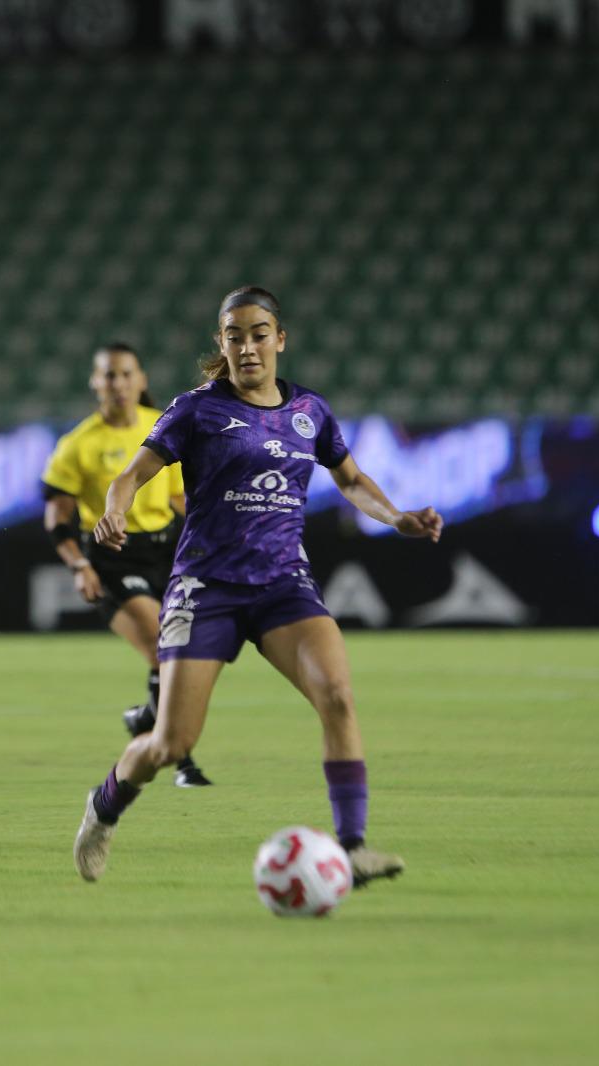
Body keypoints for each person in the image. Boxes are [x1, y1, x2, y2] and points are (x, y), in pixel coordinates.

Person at [72, 286, 442, 886]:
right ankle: (104, 806)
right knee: (168, 745)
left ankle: (351, 847)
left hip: (282, 587)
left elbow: (351, 480)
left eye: (259, 333)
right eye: (235, 335)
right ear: (222, 343)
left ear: (280, 339)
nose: (248, 346)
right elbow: (131, 475)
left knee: (339, 698)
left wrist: (397, 517)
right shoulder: (196, 409)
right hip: (205, 588)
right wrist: (115, 510)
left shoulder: (311, 412)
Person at [42, 343, 211, 787]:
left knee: (184, 651)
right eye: (109, 375)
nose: (117, 383)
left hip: (165, 552)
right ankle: (181, 759)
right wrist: (80, 565)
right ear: (95, 383)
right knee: (164, 645)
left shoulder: (161, 429)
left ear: (141, 381)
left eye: (125, 374)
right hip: (113, 558)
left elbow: (180, 500)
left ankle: (146, 721)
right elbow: (58, 517)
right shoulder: (79, 444)